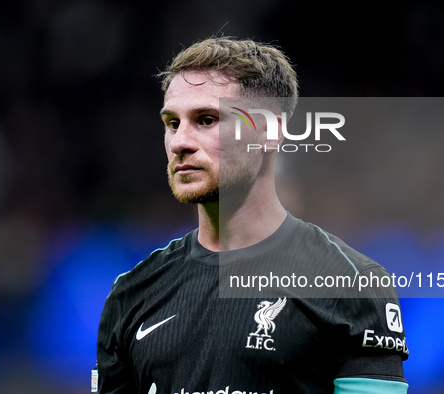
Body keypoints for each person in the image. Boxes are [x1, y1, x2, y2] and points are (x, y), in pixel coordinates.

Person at [95, 37, 409, 393]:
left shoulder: (352, 284)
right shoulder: (132, 293)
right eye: (172, 123)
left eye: (207, 119)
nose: (180, 141)